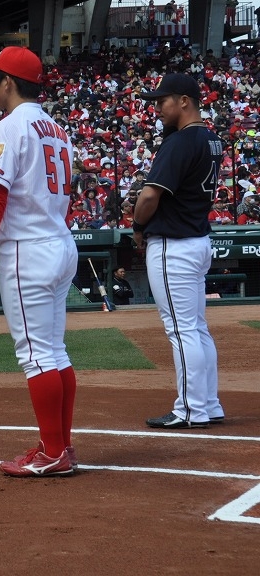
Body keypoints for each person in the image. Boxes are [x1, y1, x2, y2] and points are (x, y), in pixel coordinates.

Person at [0, 46, 78, 478]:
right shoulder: (57, 129)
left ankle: (52, 453)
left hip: (27, 249)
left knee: (36, 355)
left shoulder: (8, 128)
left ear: (7, 82)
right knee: (54, 352)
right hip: (59, 242)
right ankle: (59, 446)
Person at [133, 73, 224, 429]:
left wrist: (138, 228)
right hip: (197, 240)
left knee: (182, 330)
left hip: (175, 245)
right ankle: (209, 403)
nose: (156, 108)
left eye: (162, 101)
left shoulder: (181, 142)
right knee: (197, 328)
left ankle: (190, 408)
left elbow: (150, 196)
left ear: (184, 101)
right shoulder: (211, 139)